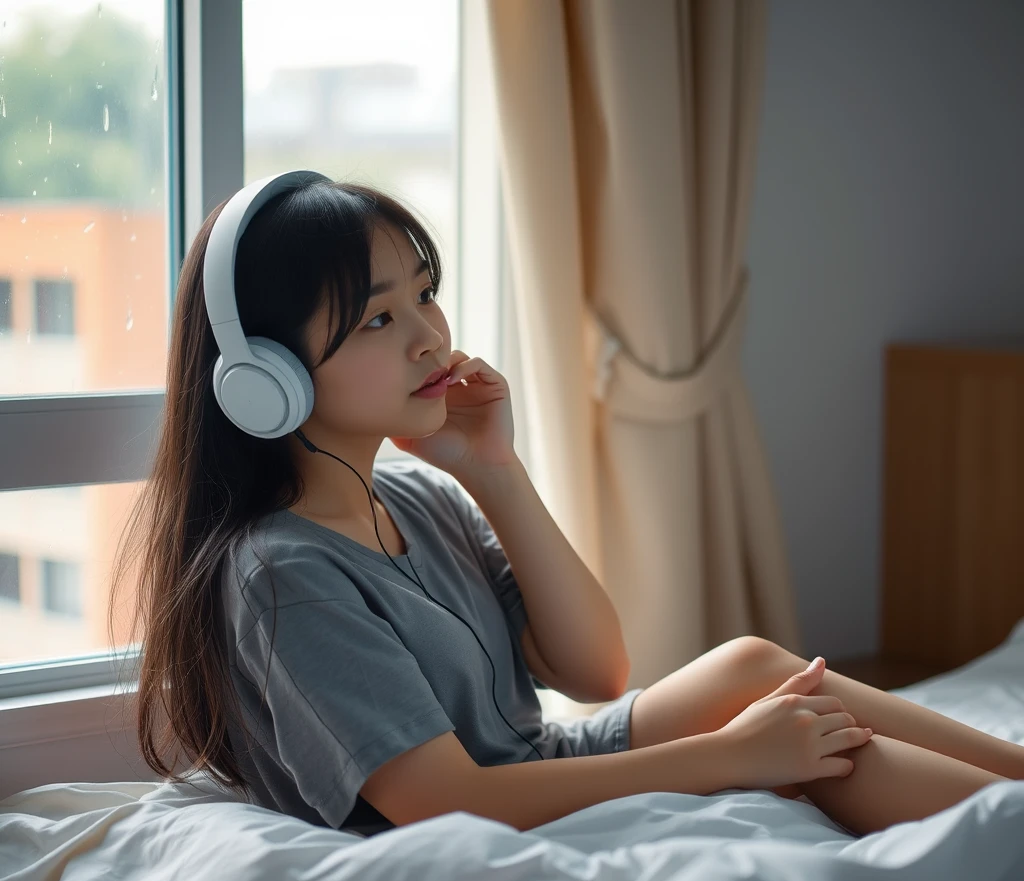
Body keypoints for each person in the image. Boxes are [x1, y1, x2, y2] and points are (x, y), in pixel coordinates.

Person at [110, 173, 1024, 840]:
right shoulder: (283, 571)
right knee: (820, 746)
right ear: (260, 382)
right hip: (492, 810)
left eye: (426, 297)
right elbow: (443, 801)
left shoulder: (423, 496)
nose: (432, 336)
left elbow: (597, 667)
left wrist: (495, 470)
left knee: (754, 667)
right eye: (379, 320)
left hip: (545, 761)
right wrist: (734, 758)